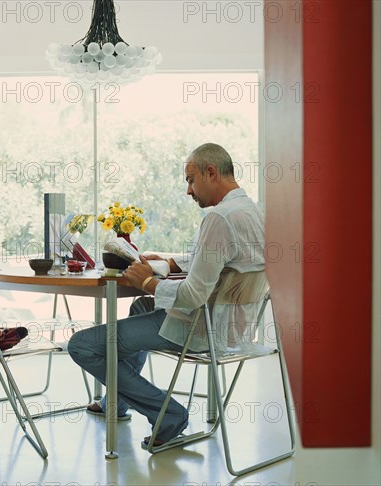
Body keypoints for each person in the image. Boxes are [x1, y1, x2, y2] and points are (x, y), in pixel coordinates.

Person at [67, 142, 265, 448]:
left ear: (210, 172)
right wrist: (171, 263)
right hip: (236, 327)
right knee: (141, 307)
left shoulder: (219, 218)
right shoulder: (252, 212)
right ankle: (117, 403)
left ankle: (169, 414)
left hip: (201, 328)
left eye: (190, 180)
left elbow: (194, 294)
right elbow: (219, 261)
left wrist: (148, 281)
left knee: (82, 346)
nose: (189, 191)